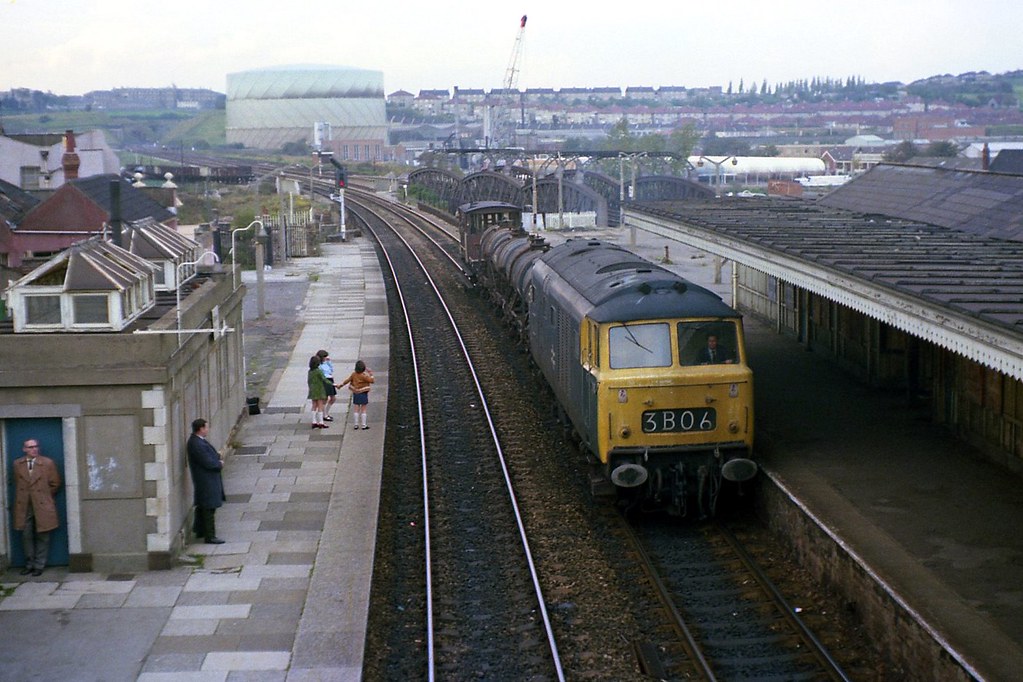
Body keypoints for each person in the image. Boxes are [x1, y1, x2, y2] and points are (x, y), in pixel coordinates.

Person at [13, 439, 61, 576]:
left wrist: (44, 497)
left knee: (43, 535)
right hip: (24, 505)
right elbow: (18, 482)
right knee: (26, 535)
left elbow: (55, 483)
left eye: (36, 446)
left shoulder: (47, 463)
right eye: (31, 447)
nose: (34, 449)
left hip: (42, 504)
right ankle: (29, 564)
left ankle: (39, 565)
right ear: (24, 449)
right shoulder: (17, 464)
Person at [186, 418, 226, 544]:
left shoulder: (198, 441)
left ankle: (200, 530)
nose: (208, 430)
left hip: (207, 478)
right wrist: (218, 463)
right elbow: (207, 462)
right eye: (206, 427)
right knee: (208, 507)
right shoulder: (196, 444)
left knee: (205, 506)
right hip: (205, 479)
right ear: (201, 429)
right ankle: (210, 535)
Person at [338, 360, 375, 430]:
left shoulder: (354, 374)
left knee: (356, 409)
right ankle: (364, 425)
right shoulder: (364, 376)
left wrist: (341, 385)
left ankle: (356, 424)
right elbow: (372, 381)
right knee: (363, 409)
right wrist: (371, 373)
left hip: (356, 393)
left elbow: (347, 380)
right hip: (363, 393)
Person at [307, 354, 329, 428]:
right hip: (319, 390)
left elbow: (308, 381)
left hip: (313, 390)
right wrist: (333, 384)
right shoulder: (318, 371)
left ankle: (314, 421)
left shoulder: (310, 371)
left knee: (314, 405)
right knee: (320, 405)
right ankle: (321, 422)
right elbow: (324, 379)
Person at [316, 350, 337, 422]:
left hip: (330, 379)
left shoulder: (327, 363)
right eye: (325, 356)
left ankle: (326, 412)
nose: (326, 358)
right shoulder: (319, 365)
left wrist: (329, 362)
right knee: (325, 399)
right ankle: (324, 415)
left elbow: (331, 370)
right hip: (325, 380)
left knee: (333, 398)